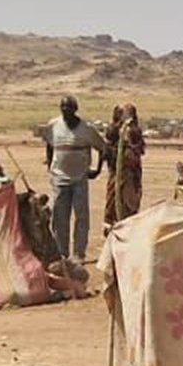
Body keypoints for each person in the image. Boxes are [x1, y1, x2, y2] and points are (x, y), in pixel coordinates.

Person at [44, 96, 107, 261]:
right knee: (59, 217)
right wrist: (50, 166)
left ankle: (79, 253)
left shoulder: (86, 129)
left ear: (75, 109)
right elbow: (50, 146)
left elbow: (102, 148)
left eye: (69, 107)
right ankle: (61, 253)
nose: (65, 110)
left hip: (79, 179)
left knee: (81, 217)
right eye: (63, 107)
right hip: (59, 179)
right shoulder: (53, 125)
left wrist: (97, 170)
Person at [102, 102, 145, 229]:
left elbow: (139, 149)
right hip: (117, 173)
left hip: (131, 175)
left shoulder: (135, 132)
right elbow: (107, 151)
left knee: (130, 202)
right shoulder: (112, 131)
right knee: (113, 198)